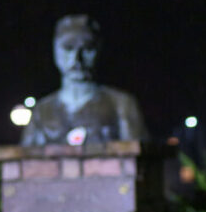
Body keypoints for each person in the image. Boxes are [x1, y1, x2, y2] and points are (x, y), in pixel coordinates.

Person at [21, 14, 149, 145]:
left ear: (98, 49)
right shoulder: (41, 111)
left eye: (87, 49)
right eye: (68, 48)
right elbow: (24, 160)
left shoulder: (122, 105)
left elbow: (138, 157)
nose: (77, 58)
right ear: (55, 51)